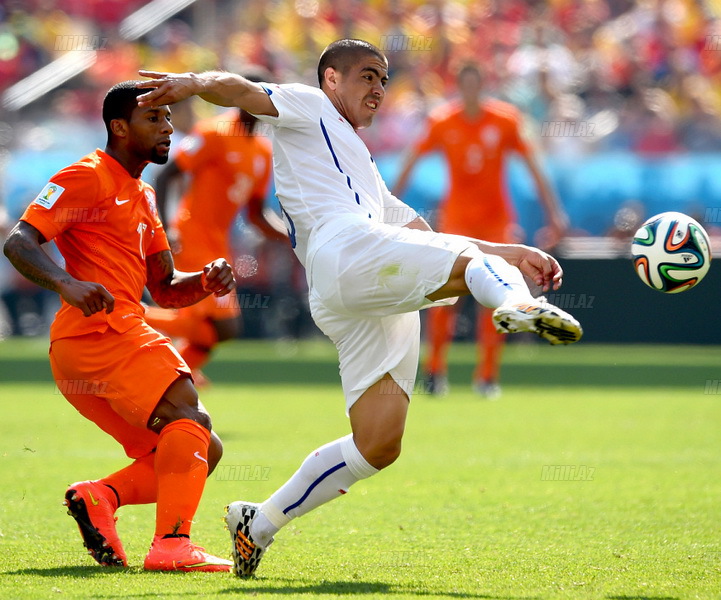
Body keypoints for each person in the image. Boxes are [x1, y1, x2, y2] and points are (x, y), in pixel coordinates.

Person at [136, 38, 582, 578]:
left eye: (384, 79)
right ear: (331, 79)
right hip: (346, 252)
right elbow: (245, 92)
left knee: (377, 444)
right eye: (367, 76)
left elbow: (423, 233)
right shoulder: (309, 104)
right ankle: (517, 305)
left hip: (353, 285)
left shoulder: (362, 169)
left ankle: (258, 524)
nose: (378, 88)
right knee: (465, 265)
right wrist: (194, 82)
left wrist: (509, 251)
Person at [2, 81, 236, 572]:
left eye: (170, 118)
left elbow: (167, 287)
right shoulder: (85, 176)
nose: (168, 127)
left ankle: (100, 497)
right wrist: (66, 283)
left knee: (200, 451)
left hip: (94, 346)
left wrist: (206, 281)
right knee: (190, 418)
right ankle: (172, 546)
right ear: (119, 127)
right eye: (155, 119)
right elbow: (19, 242)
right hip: (100, 334)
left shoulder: (144, 195)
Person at [394, 62, 569, 399]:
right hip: (456, 221)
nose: (471, 91)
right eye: (466, 85)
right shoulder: (442, 121)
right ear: (460, 87)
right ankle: (435, 371)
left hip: (496, 223)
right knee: (445, 297)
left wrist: (554, 213)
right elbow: (410, 161)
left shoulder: (505, 120)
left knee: (496, 297)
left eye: (477, 84)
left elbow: (534, 166)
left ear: (483, 85)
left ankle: (487, 376)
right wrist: (387, 205)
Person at [143, 68, 287, 385]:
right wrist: (165, 227)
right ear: (240, 96)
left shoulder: (263, 152)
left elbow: (256, 215)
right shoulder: (213, 132)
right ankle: (134, 317)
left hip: (219, 246)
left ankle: (166, 377)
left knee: (212, 333)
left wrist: (293, 238)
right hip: (190, 237)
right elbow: (166, 175)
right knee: (225, 327)